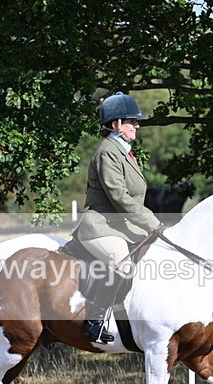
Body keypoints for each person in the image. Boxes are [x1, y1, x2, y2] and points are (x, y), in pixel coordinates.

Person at [74, 92, 162, 344]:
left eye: (136, 121)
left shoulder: (124, 151)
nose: (137, 125)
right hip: (100, 226)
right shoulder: (107, 152)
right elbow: (119, 197)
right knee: (123, 265)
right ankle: (95, 321)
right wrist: (152, 222)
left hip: (121, 225)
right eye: (131, 121)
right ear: (116, 124)